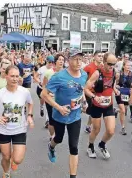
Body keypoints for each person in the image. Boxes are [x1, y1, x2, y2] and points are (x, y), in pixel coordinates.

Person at [41, 49, 87, 178]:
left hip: (75, 117)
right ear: (68, 61)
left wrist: (84, 102)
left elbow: (81, 89)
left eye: (80, 59)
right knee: (59, 139)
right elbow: (43, 94)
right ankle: (51, 146)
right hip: (60, 116)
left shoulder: (84, 75)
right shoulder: (59, 77)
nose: (78, 62)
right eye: (75, 59)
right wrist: (59, 107)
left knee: (74, 146)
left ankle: (73, 176)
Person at [0, 65, 34, 178]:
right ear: (6, 76)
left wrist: (30, 115)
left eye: (17, 76)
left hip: (19, 129)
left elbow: (30, 103)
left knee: (17, 159)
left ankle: (14, 161)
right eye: (12, 76)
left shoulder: (24, 92)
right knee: (6, 157)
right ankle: (6, 172)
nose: (15, 79)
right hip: (3, 130)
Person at [84, 52, 117, 159]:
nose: (111, 67)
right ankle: (90, 146)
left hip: (108, 105)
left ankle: (102, 145)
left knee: (111, 131)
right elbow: (86, 89)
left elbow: (113, 84)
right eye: (109, 64)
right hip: (96, 105)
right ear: (104, 62)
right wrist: (94, 97)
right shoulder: (97, 73)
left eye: (114, 64)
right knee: (96, 129)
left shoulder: (115, 72)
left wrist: (115, 90)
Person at [42, 54, 64, 140]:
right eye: (59, 59)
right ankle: (52, 136)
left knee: (59, 119)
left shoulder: (66, 72)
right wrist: (48, 93)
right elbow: (44, 85)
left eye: (63, 60)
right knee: (51, 120)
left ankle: (58, 135)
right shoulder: (49, 72)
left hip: (61, 99)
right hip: (50, 99)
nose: (61, 61)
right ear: (55, 62)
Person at [83, 51, 103, 133]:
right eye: (99, 56)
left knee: (94, 110)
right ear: (94, 57)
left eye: (102, 56)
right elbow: (82, 77)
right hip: (88, 91)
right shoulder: (88, 67)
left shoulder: (102, 67)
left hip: (97, 92)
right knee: (89, 110)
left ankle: (88, 126)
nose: (101, 57)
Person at [115, 61, 132, 135]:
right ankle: (123, 128)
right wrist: (116, 87)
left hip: (128, 92)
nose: (129, 67)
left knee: (125, 107)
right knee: (123, 111)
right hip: (120, 92)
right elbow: (114, 83)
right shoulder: (118, 74)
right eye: (127, 65)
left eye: (130, 66)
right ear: (123, 66)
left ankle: (116, 110)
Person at [34, 55, 55, 127]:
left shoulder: (53, 70)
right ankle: (41, 107)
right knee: (42, 101)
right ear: (47, 61)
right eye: (49, 62)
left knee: (48, 104)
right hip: (40, 88)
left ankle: (47, 120)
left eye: (52, 62)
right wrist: (39, 81)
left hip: (49, 90)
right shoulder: (42, 69)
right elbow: (35, 76)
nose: (51, 64)